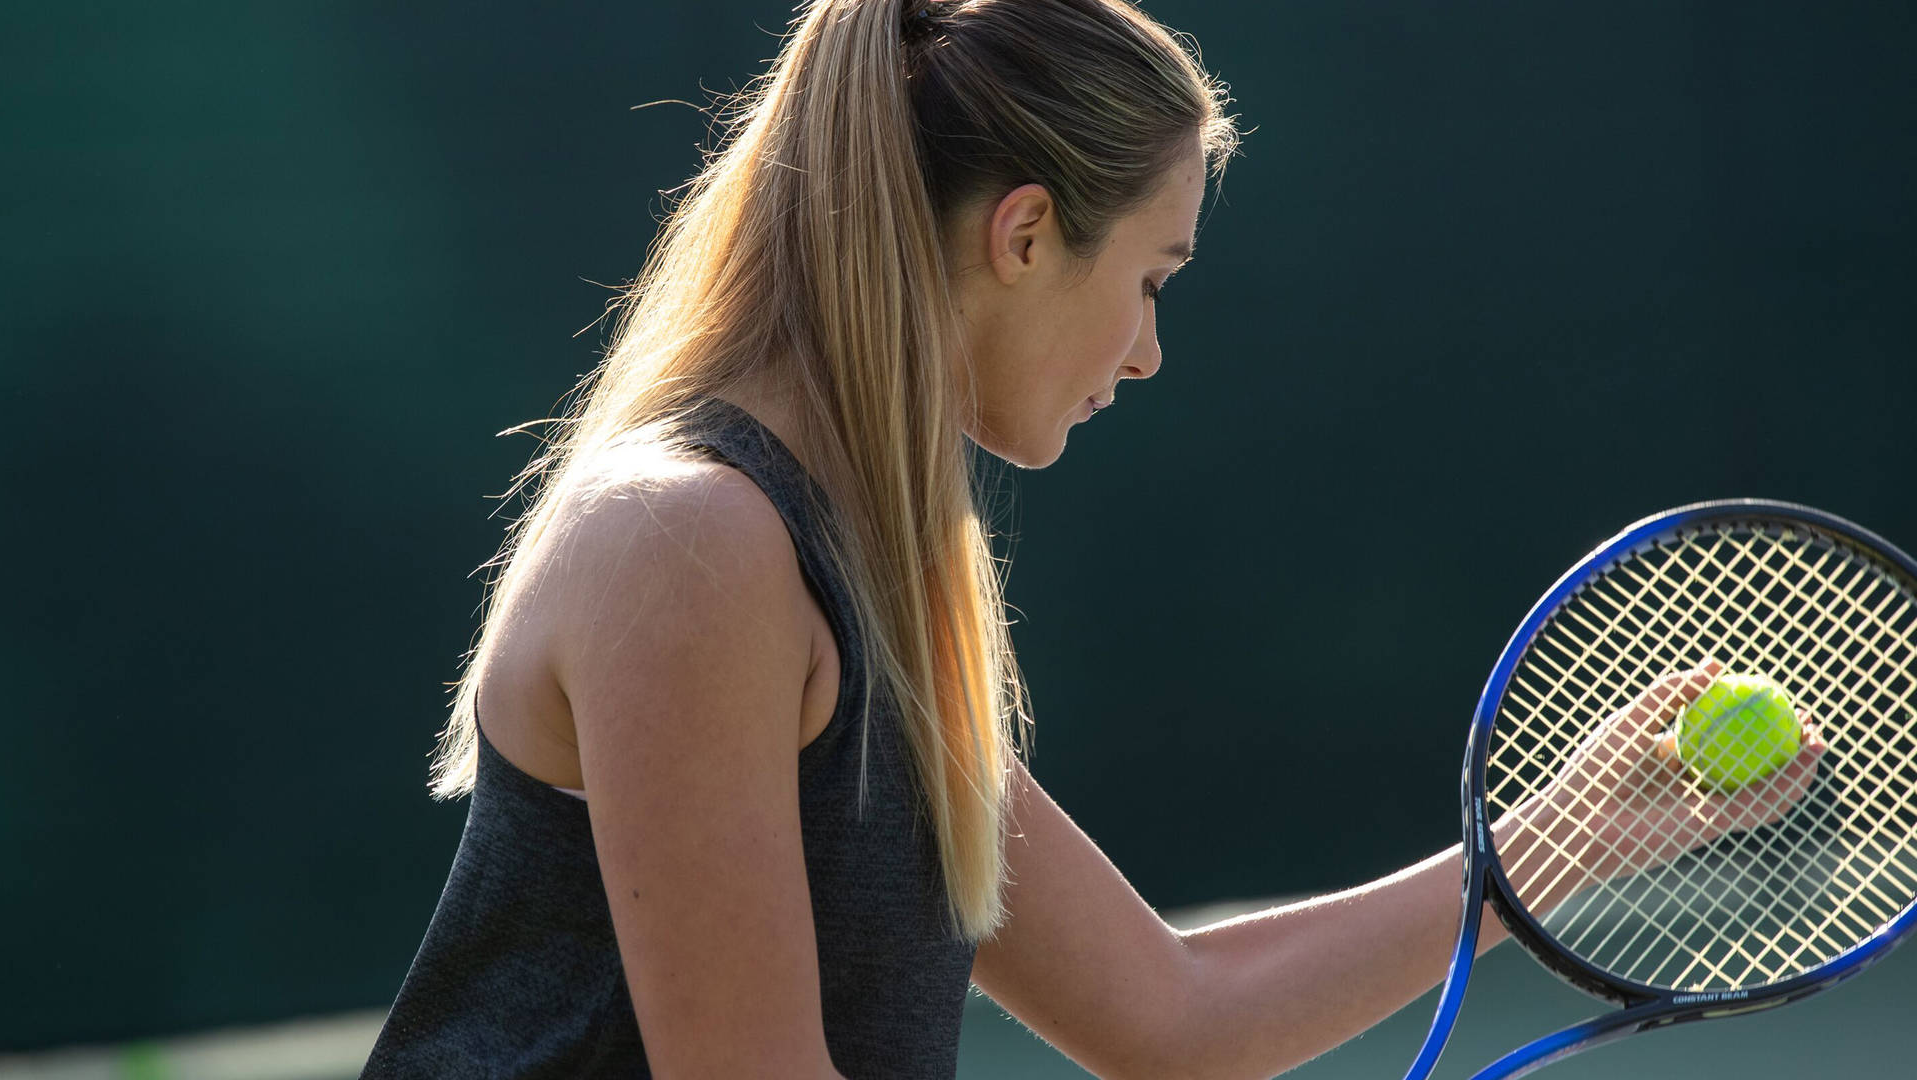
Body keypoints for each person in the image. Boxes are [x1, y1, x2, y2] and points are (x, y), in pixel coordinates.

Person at [361, 1, 1825, 1077]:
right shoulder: (688, 548)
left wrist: (1559, 842)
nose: (1146, 353)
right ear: (1023, 234)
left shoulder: (846, 578)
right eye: (1151, 278)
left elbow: (1173, 1019)